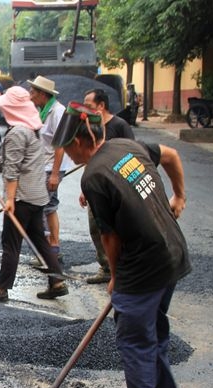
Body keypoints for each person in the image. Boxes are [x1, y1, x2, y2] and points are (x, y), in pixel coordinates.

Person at [52, 101, 189, 388]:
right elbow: (171, 155)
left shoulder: (94, 176)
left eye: (67, 148)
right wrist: (179, 196)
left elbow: (110, 238)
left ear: (80, 141)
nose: (67, 155)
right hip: (172, 252)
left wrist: (116, 277)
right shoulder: (127, 146)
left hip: (143, 265)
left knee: (134, 342)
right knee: (155, 324)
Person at [0, 86, 68, 303]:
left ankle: (1, 288)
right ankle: (57, 282)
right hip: (37, 196)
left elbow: (13, 168)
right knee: (40, 240)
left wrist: (10, 199)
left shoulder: (17, 132)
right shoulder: (32, 128)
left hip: (22, 198)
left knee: (11, 243)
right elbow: (15, 158)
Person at [80, 87, 135, 284]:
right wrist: (84, 189)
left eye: (89, 105)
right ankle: (106, 267)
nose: (85, 109)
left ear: (101, 105)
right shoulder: (91, 127)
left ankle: (123, 269)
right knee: (97, 227)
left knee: (119, 229)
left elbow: (133, 154)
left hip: (118, 187)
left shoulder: (119, 125)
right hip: (98, 188)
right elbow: (89, 159)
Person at [27, 75, 75, 259]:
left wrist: (55, 174)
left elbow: (60, 145)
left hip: (52, 167)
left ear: (43, 94)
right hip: (44, 165)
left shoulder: (57, 111)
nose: (30, 95)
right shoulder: (43, 111)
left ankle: (49, 251)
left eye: (33, 92)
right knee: (49, 207)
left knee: (43, 207)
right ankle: (52, 248)